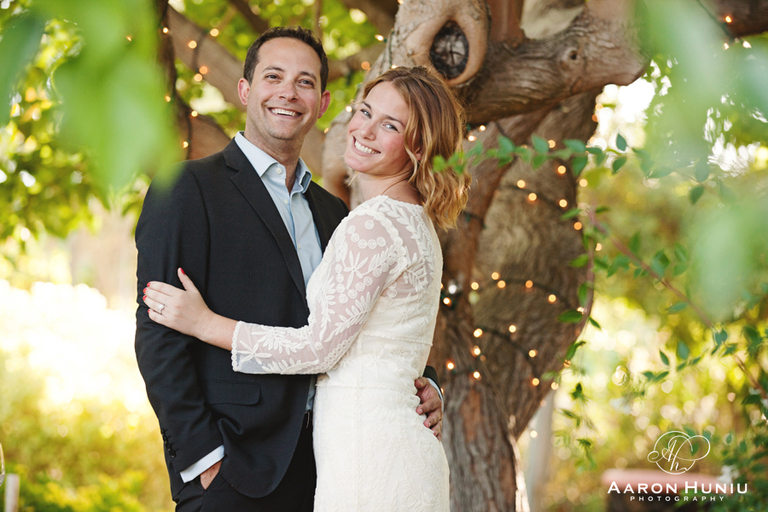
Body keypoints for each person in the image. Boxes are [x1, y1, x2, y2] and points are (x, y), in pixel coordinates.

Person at [135, 27, 444, 511]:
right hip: (233, 467)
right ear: (244, 89)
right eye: (273, 76)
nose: (287, 92)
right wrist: (202, 458)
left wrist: (425, 385)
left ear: (321, 103)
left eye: (304, 82)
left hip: (330, 463)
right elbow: (158, 335)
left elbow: (363, 324)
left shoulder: (338, 213)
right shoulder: (186, 188)